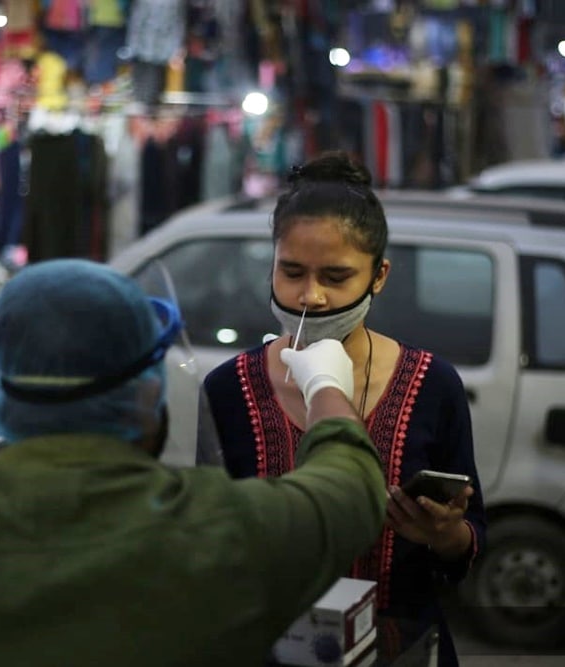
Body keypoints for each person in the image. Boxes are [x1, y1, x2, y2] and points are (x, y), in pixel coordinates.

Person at [0, 258, 387, 667]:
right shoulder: (230, 533)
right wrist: (327, 390)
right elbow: (353, 485)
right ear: (143, 396)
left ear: (4, 395)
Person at [197, 151, 487, 666]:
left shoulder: (433, 385)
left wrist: (446, 535)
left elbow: (471, 544)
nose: (312, 297)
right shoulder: (227, 390)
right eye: (292, 272)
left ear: (379, 276)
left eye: (336, 276)